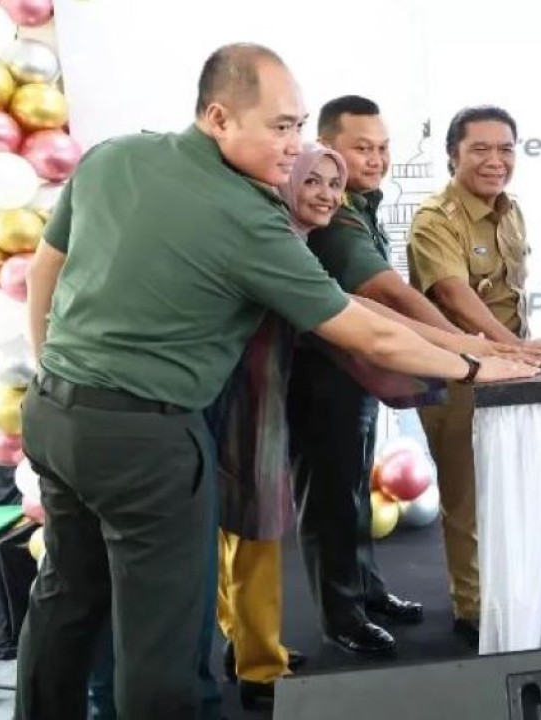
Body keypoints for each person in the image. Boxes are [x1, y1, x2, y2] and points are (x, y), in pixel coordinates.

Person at [18, 43, 535, 719]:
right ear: (218, 117)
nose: (297, 147)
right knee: (161, 641)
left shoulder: (114, 156)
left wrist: (53, 369)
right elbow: (367, 329)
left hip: (55, 417)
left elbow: (42, 274)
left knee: (66, 600)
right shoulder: (246, 216)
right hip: (148, 440)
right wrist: (475, 364)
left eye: (299, 125)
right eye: (281, 126)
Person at [288, 95, 517, 660]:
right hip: (321, 376)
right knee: (331, 499)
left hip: (357, 372)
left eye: (383, 147)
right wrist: (465, 348)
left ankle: (364, 590)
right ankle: (341, 615)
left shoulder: (357, 203)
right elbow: (387, 293)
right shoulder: (335, 214)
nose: (376, 158)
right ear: (325, 146)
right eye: (360, 147)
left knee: (353, 492)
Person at [406, 105, 541, 647]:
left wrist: (522, 354)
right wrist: (514, 348)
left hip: (510, 374)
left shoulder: (510, 210)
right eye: (481, 150)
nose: (496, 161)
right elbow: (453, 295)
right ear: (453, 155)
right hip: (457, 375)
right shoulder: (436, 219)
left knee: (512, 489)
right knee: (467, 495)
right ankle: (473, 609)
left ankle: (512, 594)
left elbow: (512, 294)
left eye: (506, 149)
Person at [207, 144, 344, 711]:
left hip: (237, 392)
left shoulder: (282, 234)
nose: (327, 194)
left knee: (232, 530)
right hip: (244, 396)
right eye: (312, 179)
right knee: (256, 529)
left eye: (335, 185)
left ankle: (244, 643)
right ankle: (261, 669)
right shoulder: (276, 241)